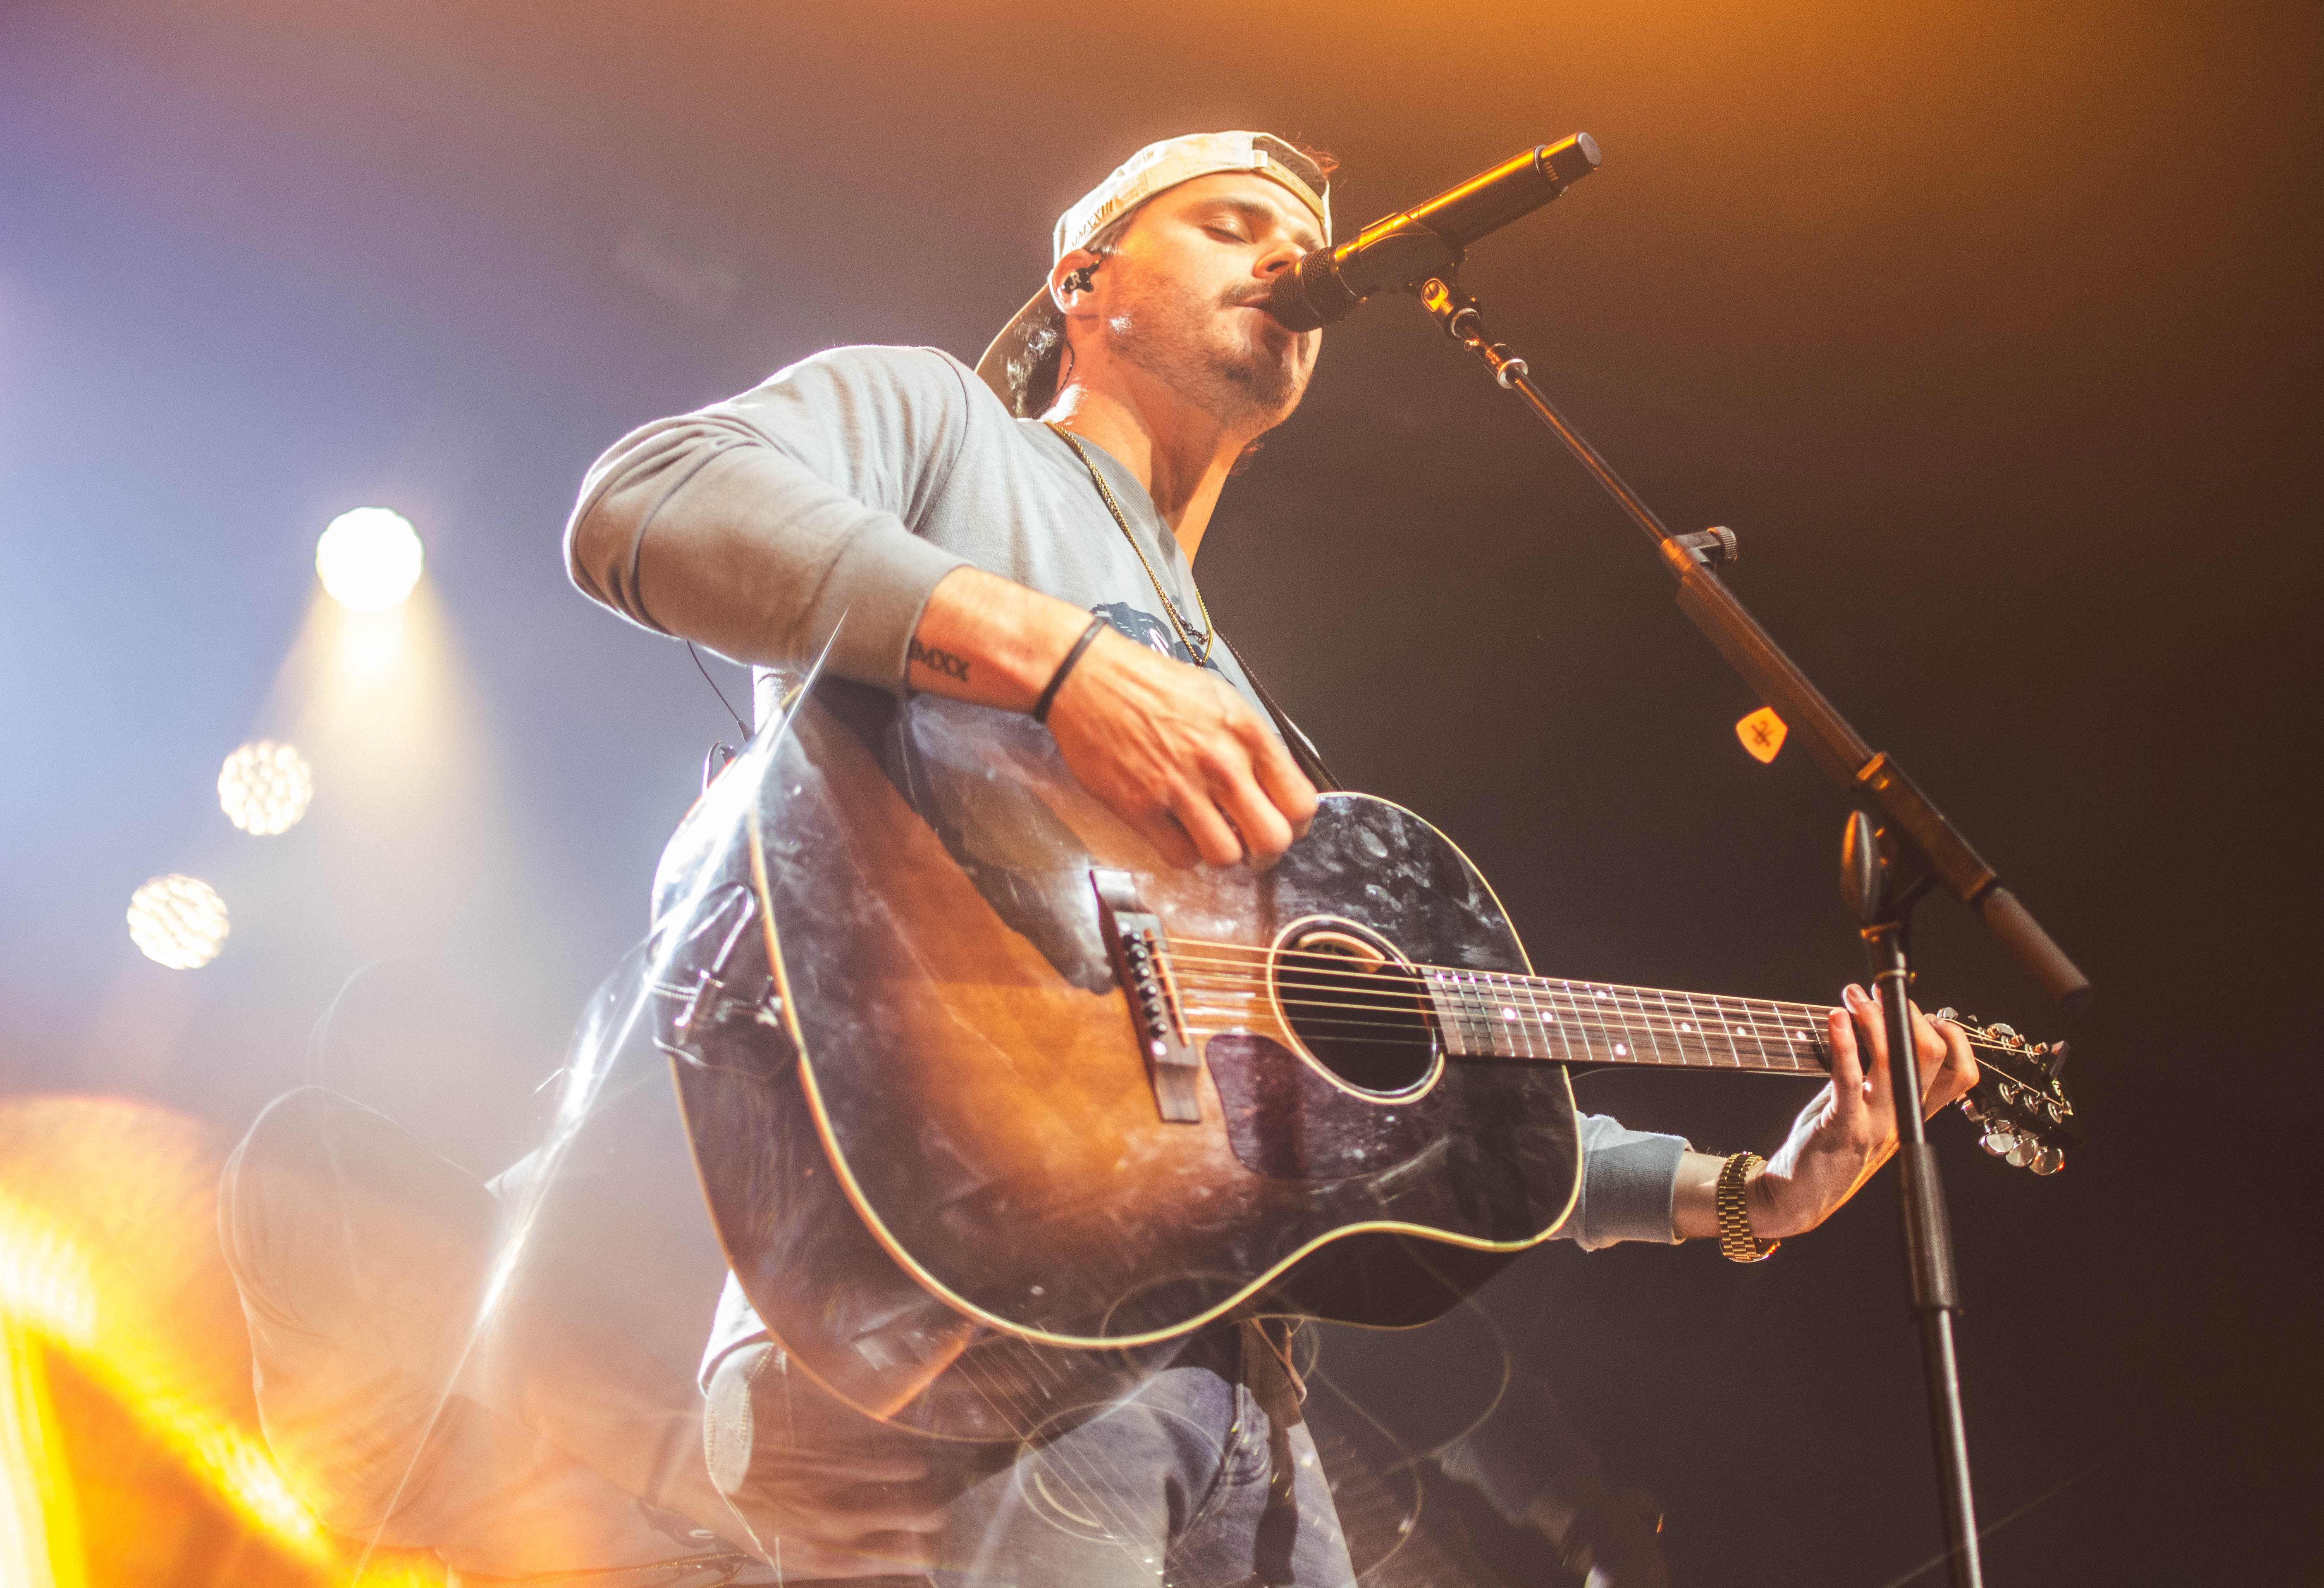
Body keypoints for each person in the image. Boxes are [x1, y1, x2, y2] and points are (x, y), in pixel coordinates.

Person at [563, 130, 1980, 1586]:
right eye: (1232, 223)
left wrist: (1745, 1194)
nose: (1289, 258)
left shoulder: (1247, 711)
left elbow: (1422, 1116)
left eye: (1299, 237)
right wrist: (1061, 661)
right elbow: (645, 500)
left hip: (1235, 1394)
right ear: (1084, 281)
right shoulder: (948, 429)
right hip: (964, 1331)